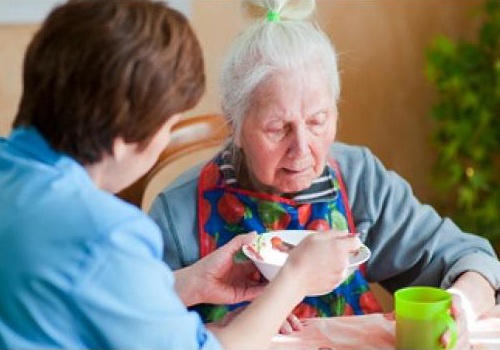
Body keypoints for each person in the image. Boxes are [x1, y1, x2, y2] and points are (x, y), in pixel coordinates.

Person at [0, 0, 363, 348]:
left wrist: (188, 284)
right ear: (126, 136)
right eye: (168, 125)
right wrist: (295, 279)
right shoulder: (105, 234)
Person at [148, 0, 500, 346]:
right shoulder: (179, 212)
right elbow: (139, 326)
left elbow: (471, 259)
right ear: (234, 124)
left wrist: (462, 305)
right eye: (277, 128)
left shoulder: (359, 180)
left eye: (317, 121)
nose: (302, 148)